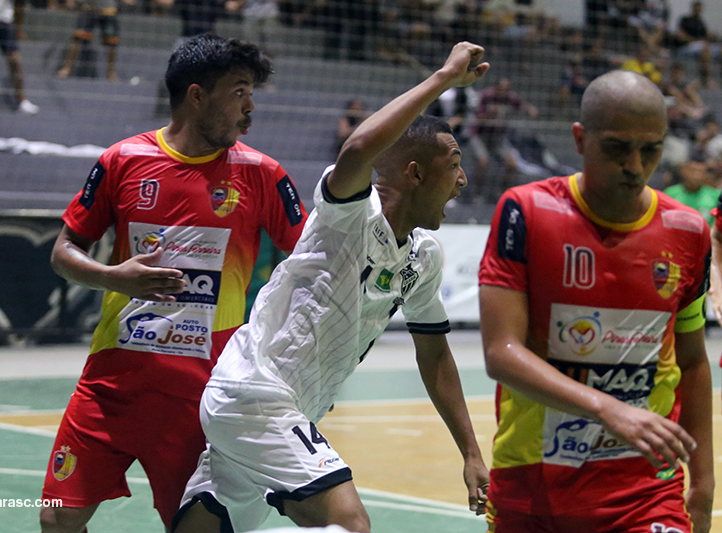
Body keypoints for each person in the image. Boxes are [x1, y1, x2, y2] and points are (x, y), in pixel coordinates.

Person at [172, 41, 491, 533]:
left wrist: (471, 453)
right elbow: (360, 149)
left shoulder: (423, 257)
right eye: (453, 164)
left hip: (290, 408)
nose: (463, 180)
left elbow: (435, 356)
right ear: (415, 173)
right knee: (349, 525)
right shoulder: (347, 214)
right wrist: (443, 79)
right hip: (257, 393)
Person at [39, 34, 308, 533]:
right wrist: (112, 276)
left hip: (203, 398)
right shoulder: (122, 161)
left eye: (252, 94)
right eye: (239, 93)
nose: (250, 109)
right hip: (109, 385)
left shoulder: (263, 174)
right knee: (57, 519)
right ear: (196, 95)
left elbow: (315, 263)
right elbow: (63, 253)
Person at [479, 70, 714, 533]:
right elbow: (500, 353)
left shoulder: (689, 231)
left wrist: (703, 483)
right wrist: (609, 407)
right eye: (617, 147)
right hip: (533, 482)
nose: (635, 165)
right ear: (580, 139)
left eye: (651, 150)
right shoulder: (526, 211)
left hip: (647, 490)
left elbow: (692, 362)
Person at [470, 77, 538, 200]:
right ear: (495, 88)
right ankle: (476, 192)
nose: (503, 92)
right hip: (481, 135)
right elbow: (477, 118)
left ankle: (502, 193)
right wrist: (491, 114)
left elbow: (521, 104)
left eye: (507, 90)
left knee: (512, 164)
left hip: (497, 137)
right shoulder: (486, 96)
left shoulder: (509, 97)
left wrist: (529, 110)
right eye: (501, 89)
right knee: (483, 161)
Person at [56, 0, 136, 81]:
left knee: (112, 42)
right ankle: (67, 68)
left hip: (108, 11)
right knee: (78, 38)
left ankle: (111, 73)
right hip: (89, 10)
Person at [664, 153, 718, 226]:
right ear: (684, 170)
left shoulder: (715, 196)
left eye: (701, 172)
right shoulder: (670, 194)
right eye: (693, 171)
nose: (697, 176)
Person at [674, 1, 720, 88]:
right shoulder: (685, 20)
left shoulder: (700, 22)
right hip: (686, 47)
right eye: (697, 8)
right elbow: (681, 36)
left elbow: (705, 36)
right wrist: (695, 40)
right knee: (705, 49)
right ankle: (705, 79)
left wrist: (712, 36)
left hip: (699, 45)